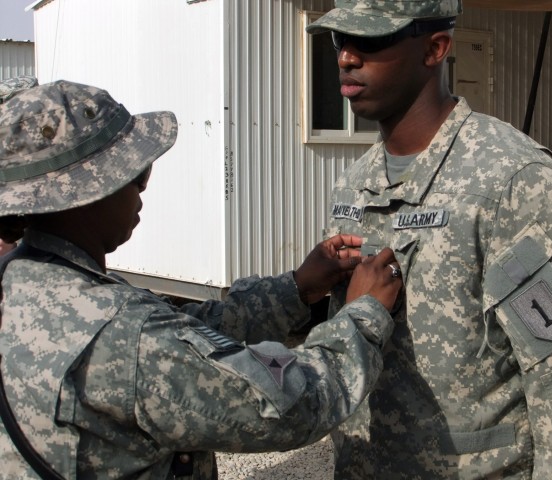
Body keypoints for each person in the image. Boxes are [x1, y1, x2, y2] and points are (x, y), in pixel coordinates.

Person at [0, 78, 403, 479]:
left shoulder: (23, 281)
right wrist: (363, 313)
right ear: (89, 192)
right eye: (135, 174)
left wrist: (295, 288)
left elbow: (190, 332)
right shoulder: (125, 332)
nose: (143, 189)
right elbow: (291, 407)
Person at [307, 1, 552, 479]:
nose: (346, 57)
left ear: (435, 48)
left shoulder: (511, 180)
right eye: (340, 40)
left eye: (370, 40)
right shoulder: (356, 183)